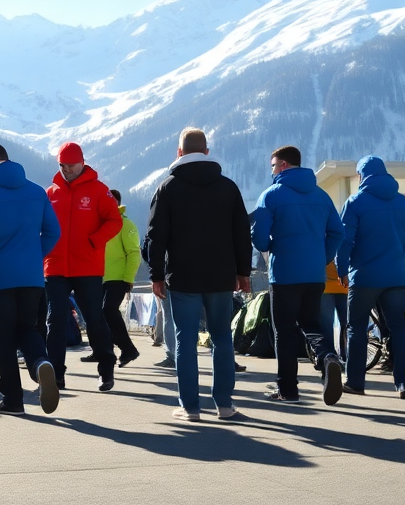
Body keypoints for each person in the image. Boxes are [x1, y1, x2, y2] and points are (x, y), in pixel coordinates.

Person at [145, 128, 252, 421]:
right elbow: (242, 234)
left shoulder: (167, 188)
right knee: (221, 337)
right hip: (221, 276)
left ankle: (190, 407)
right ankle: (225, 404)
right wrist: (243, 272)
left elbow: (156, 237)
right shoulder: (228, 187)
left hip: (183, 277)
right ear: (206, 152)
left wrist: (156, 275)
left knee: (185, 340)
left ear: (179, 153)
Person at [0, 142, 62, 415]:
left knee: (4, 338)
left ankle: (13, 400)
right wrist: (33, 256)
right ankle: (40, 362)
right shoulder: (36, 191)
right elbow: (53, 232)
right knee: (28, 328)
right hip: (31, 277)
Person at [251, 145, 345, 405]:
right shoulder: (321, 195)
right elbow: (338, 232)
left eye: (272, 166)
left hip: (284, 274)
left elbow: (259, 238)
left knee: (283, 331)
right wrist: (322, 257)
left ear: (282, 165)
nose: (271, 171)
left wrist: (269, 245)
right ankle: (327, 357)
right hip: (315, 274)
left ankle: (288, 390)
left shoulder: (271, 195)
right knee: (310, 324)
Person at [335, 156, 405, 399]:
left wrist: (342, 268)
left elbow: (345, 241)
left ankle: (355, 382)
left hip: (364, 277)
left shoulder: (355, 202)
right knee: (399, 328)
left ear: (362, 176)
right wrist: (398, 253)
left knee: (357, 328)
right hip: (396, 276)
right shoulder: (403, 202)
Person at [46, 142, 123, 391]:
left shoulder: (100, 191)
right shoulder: (51, 193)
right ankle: (56, 374)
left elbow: (114, 221)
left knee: (94, 319)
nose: (67, 170)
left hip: (87, 266)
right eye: (62, 166)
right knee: (55, 320)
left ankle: (106, 369)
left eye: (71, 166)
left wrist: (95, 241)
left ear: (82, 162)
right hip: (55, 267)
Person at [83, 189, 140, 367]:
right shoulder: (98, 224)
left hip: (118, 278)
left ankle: (128, 348)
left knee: (108, 310)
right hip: (97, 276)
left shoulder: (126, 224)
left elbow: (133, 253)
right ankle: (101, 350)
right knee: (95, 314)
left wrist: (128, 278)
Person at [319, 260, 348, 362]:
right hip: (343, 284)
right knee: (346, 324)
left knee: (327, 325)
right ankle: (343, 357)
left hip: (329, 283)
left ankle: (330, 359)